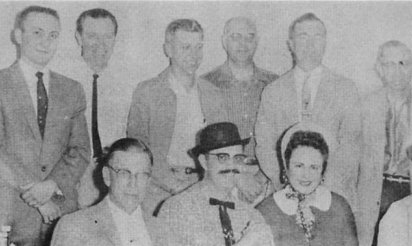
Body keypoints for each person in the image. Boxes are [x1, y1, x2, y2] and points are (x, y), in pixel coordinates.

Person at [0, 6, 90, 245]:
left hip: (61, 210)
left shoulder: (72, 90)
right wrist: (40, 199)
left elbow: (80, 150)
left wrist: (51, 186)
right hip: (7, 211)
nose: (46, 42)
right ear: (18, 36)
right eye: (37, 33)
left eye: (53, 35)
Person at [255, 12, 361, 210]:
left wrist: (320, 189)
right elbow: (264, 145)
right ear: (291, 44)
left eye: (317, 37)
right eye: (303, 36)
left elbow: (351, 146)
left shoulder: (346, 89)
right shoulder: (272, 91)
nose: (310, 44)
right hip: (284, 195)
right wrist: (288, 184)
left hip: (333, 197)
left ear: (325, 43)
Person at [358, 40, 412, 246]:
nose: (397, 71)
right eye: (389, 65)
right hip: (374, 195)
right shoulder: (364, 106)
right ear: (379, 69)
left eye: (402, 63)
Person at [127, 19, 208, 216]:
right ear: (168, 49)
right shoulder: (147, 91)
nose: (194, 56)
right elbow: (138, 148)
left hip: (202, 186)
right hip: (157, 188)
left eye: (198, 48)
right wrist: (172, 184)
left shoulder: (211, 93)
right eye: (185, 47)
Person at [60, 8, 134, 208]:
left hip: (113, 172)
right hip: (72, 174)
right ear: (79, 37)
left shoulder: (127, 84)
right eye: (92, 36)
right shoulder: (61, 81)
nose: (100, 44)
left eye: (107, 36)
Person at [200, 16, 278, 205]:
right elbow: (209, 145)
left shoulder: (274, 84)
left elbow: (279, 137)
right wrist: (238, 176)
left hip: (267, 182)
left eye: (249, 37)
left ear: (257, 41)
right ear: (224, 41)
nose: (243, 43)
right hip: (223, 181)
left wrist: (263, 176)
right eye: (236, 37)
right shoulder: (206, 84)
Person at [156, 122, 273, 246]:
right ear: (204, 162)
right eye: (222, 157)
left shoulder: (251, 215)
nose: (231, 165)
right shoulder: (177, 209)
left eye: (237, 158)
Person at [256, 123, 358, 246]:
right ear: (286, 167)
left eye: (314, 167)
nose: (306, 175)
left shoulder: (339, 207)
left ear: (323, 171)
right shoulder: (266, 211)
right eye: (299, 166)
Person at [51, 138, 156, 246]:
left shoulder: (163, 228)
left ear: (148, 181)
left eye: (142, 175)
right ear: (107, 176)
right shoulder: (74, 226)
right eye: (124, 173)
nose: (133, 183)